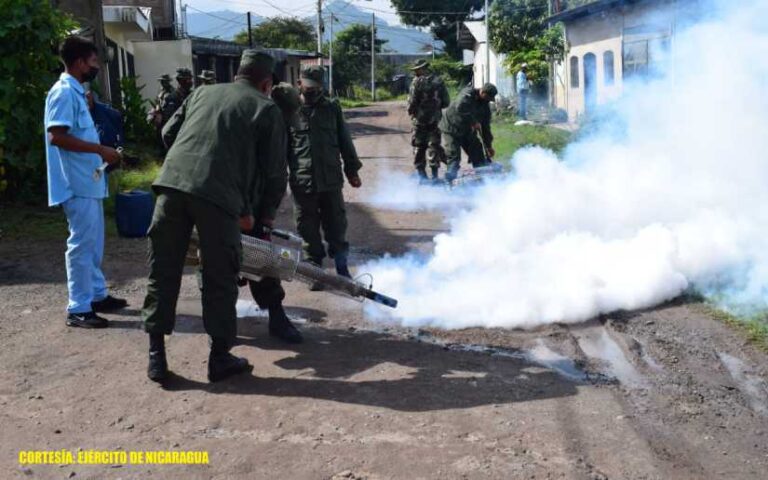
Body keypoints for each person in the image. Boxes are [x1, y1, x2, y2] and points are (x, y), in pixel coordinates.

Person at [141, 50, 286, 383]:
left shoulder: (201, 92)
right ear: (266, 83)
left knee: (162, 271)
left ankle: (156, 358)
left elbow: (167, 134)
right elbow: (276, 174)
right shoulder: (266, 109)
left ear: (238, 73)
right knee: (220, 276)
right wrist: (263, 220)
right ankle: (219, 359)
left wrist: (190, 163)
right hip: (218, 199)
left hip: (171, 187)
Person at [44, 36, 127, 329]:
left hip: (88, 181)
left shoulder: (77, 92)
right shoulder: (64, 92)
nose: (95, 67)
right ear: (79, 62)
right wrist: (99, 150)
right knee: (80, 245)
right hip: (75, 183)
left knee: (93, 243)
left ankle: (96, 294)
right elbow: (57, 136)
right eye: (93, 62)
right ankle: (78, 307)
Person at [290, 66, 362, 286]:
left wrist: (352, 170)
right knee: (307, 228)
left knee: (336, 224)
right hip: (303, 182)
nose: (313, 91)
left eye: (317, 87)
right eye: (309, 87)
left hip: (330, 179)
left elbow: (344, 140)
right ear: (299, 84)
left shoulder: (332, 108)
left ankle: (341, 267)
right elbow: (279, 148)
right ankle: (315, 271)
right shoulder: (289, 111)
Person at [245, 82, 303, 344]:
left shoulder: (271, 121)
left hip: (247, 198)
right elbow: (277, 175)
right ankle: (220, 332)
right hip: (235, 197)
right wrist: (267, 214)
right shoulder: (260, 119)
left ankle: (276, 317)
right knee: (258, 256)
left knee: (258, 256)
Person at [439, 83, 498, 183]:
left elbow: (486, 127)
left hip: (466, 131)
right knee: (454, 156)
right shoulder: (468, 94)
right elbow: (460, 107)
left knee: (477, 151)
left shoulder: (485, 106)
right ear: (482, 92)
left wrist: (488, 146)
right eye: (487, 97)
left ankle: (483, 180)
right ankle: (448, 182)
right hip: (451, 128)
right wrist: (473, 122)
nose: (488, 100)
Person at [407, 60, 450, 182]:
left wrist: (412, 111)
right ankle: (435, 176)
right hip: (435, 120)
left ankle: (422, 177)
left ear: (422, 69)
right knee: (434, 146)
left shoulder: (416, 82)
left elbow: (412, 102)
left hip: (419, 121)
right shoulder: (439, 81)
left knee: (419, 146)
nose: (415, 72)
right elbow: (446, 102)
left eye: (416, 69)